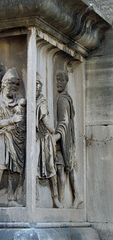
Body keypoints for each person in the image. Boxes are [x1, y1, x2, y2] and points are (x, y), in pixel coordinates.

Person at [0, 67, 26, 203]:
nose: (13, 87)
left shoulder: (18, 102)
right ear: (3, 84)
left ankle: (12, 197)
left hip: (17, 139)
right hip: (2, 139)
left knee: (16, 169)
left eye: (15, 85)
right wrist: (12, 120)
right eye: (10, 84)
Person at [55, 71, 83, 208]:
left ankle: (62, 200)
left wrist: (56, 136)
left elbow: (64, 122)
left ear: (66, 82)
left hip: (64, 139)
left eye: (61, 80)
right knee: (68, 167)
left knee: (64, 167)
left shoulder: (63, 99)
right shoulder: (66, 98)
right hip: (67, 138)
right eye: (57, 80)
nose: (58, 83)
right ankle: (77, 196)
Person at [36, 73, 62, 208]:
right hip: (35, 140)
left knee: (51, 168)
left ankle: (55, 198)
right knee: (33, 167)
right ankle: (34, 196)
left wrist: (55, 132)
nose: (35, 87)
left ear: (40, 87)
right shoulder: (30, 102)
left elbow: (47, 123)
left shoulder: (41, 103)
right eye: (33, 84)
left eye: (37, 84)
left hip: (45, 139)